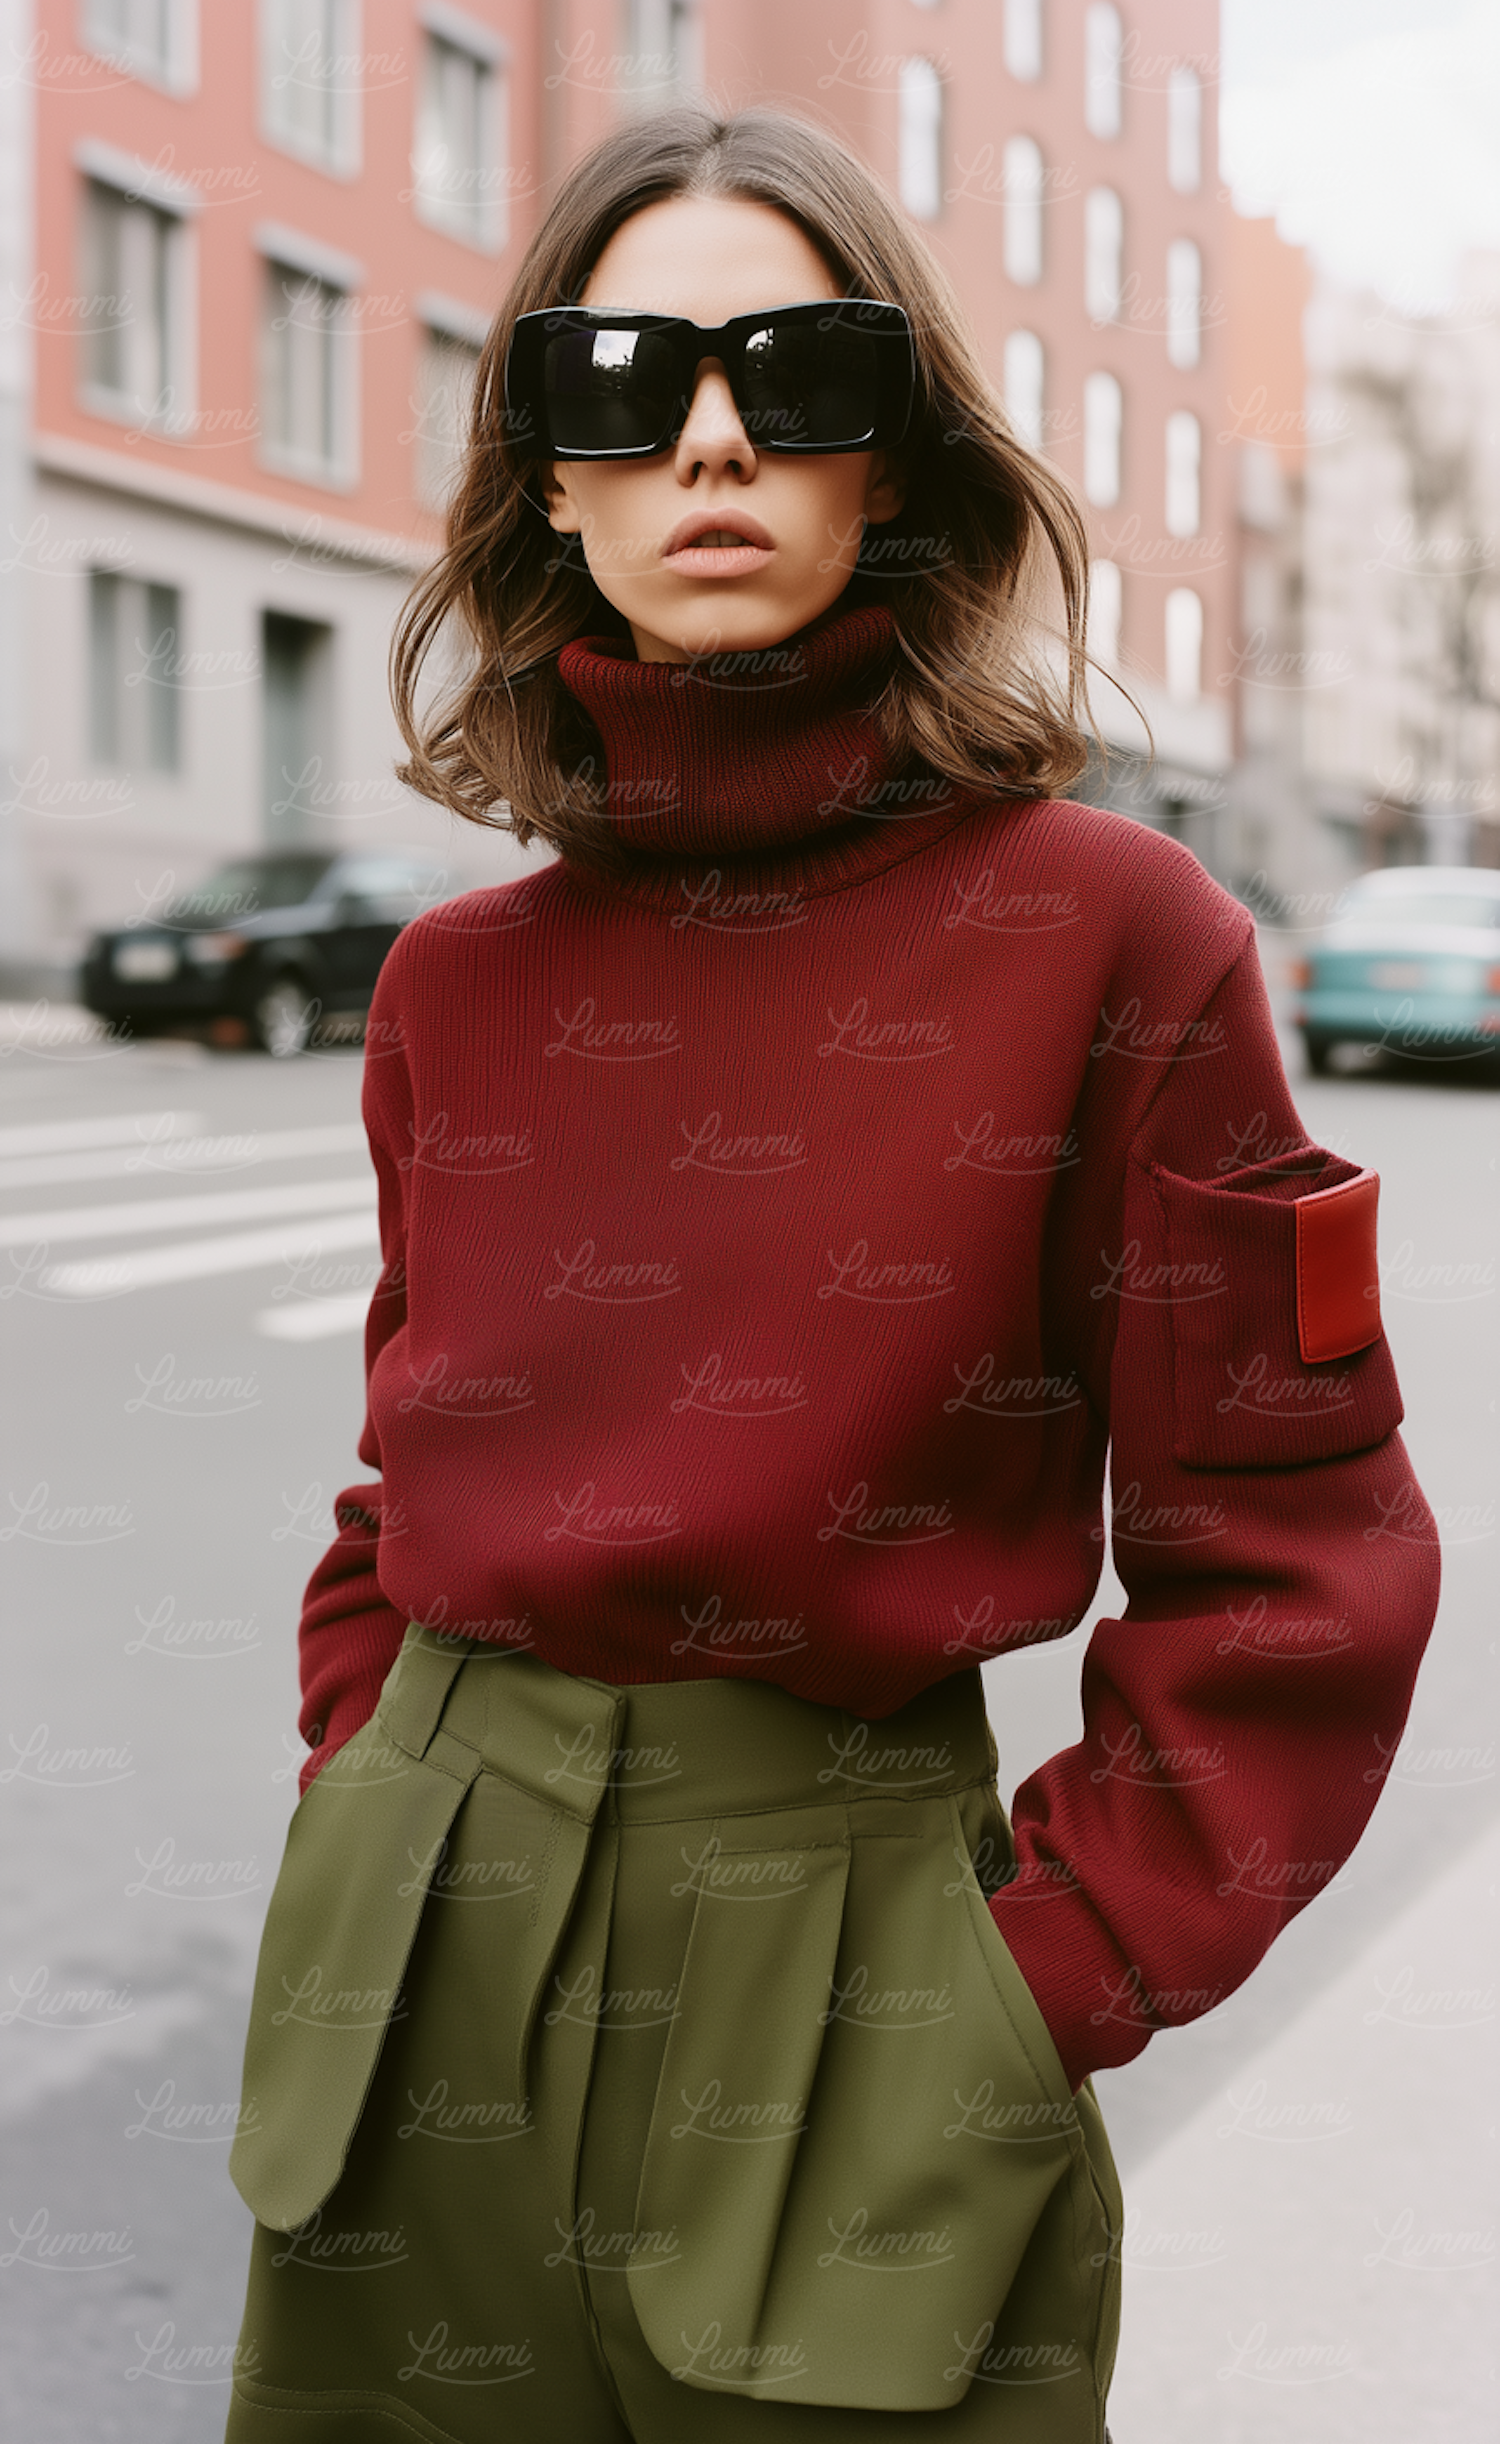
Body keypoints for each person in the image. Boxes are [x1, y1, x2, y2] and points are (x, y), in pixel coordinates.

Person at [224, 101, 1439, 2444]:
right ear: (542, 482)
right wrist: (359, 1780)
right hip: (410, 1956)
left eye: (798, 375)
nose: (708, 439)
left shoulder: (1121, 937)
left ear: (894, 462)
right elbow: (404, 1475)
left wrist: (1033, 1987)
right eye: (620, 381)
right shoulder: (447, 986)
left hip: (858, 1977)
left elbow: (1296, 1568)